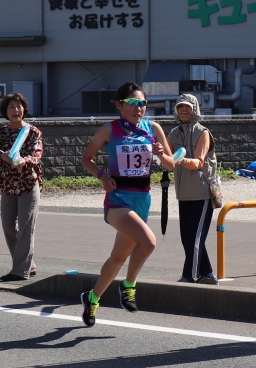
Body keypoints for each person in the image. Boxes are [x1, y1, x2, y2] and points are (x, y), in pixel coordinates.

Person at [80, 81, 175, 327]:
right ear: (119, 105)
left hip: (142, 197)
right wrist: (102, 176)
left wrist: (160, 153)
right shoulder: (108, 130)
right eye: (133, 103)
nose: (138, 108)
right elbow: (87, 158)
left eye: (142, 103)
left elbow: (170, 165)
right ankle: (129, 286)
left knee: (117, 258)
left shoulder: (153, 128)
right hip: (118, 199)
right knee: (149, 242)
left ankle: (92, 298)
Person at [167, 94, 219, 285]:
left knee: (193, 238)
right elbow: (166, 159)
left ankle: (189, 276)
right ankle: (208, 274)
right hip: (184, 195)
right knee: (188, 238)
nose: (183, 110)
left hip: (202, 193)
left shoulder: (203, 132)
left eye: (187, 107)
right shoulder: (173, 134)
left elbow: (199, 162)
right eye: (180, 107)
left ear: (195, 109)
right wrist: (158, 155)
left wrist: (182, 160)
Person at [0, 92, 43, 282]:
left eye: (19, 106)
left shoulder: (33, 131)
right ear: (5, 111)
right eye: (11, 106)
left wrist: (24, 161)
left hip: (28, 182)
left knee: (26, 227)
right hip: (8, 183)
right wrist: (4, 155)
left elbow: (36, 155)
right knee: (7, 226)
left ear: (24, 110)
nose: (16, 110)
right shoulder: (0, 132)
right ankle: (28, 263)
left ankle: (20, 270)